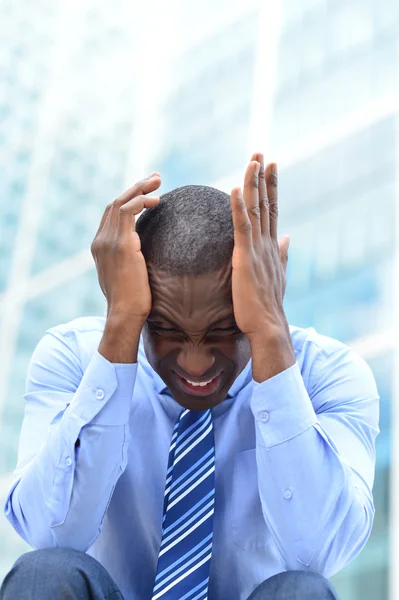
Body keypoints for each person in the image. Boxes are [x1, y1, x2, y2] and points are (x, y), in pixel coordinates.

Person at [1, 154, 379, 600]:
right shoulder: (73, 357)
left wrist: (270, 333)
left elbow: (317, 552)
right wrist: (122, 324)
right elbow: (52, 533)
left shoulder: (328, 375)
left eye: (224, 329)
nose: (196, 366)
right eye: (163, 328)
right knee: (46, 571)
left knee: (302, 591)